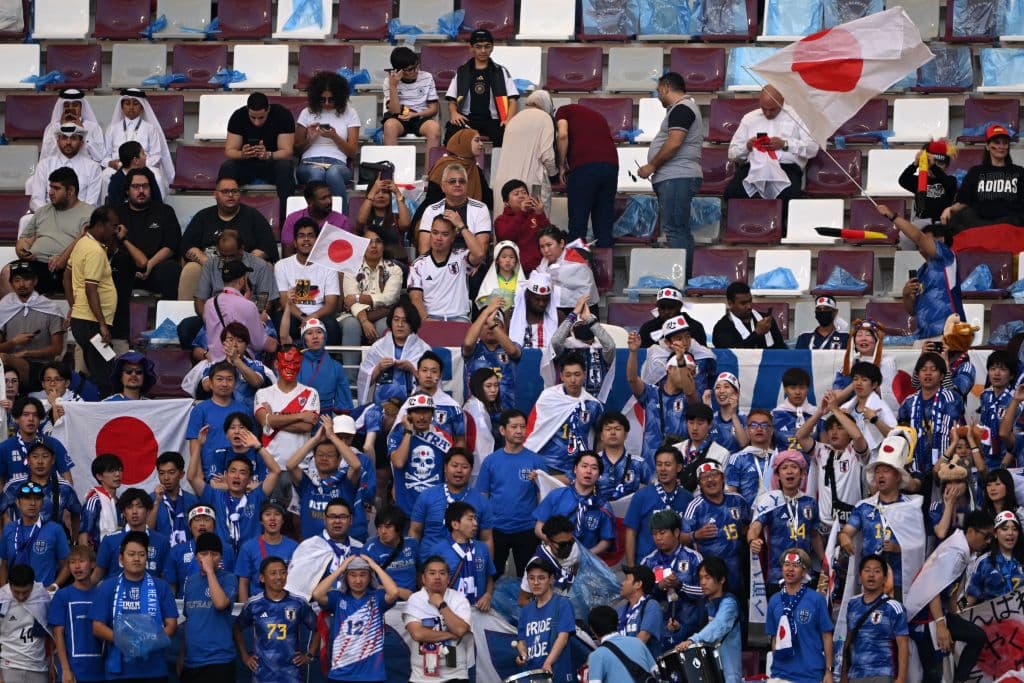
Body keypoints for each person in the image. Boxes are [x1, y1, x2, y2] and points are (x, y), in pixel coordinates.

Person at [903, 510, 992, 683]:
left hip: (937, 613)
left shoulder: (964, 551)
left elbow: (953, 594)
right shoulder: (955, 553)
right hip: (924, 616)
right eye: (986, 536)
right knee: (933, 673)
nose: (988, 542)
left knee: (977, 637)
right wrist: (941, 626)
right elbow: (933, 588)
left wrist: (958, 611)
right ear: (971, 531)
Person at [838, 429, 926, 602]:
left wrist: (899, 548)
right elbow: (847, 531)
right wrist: (844, 537)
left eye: (886, 471)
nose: (880, 475)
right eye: (878, 471)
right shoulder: (864, 507)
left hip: (900, 581)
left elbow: (920, 546)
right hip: (870, 581)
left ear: (898, 477)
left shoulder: (911, 507)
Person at [89, 531, 178, 681]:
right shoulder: (107, 587)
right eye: (131, 554)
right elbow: (97, 626)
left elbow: (172, 624)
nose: (137, 559)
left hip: (154, 669)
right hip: (119, 671)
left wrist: (150, 641)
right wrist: (125, 641)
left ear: (147, 558)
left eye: (142, 555)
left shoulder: (161, 587)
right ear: (121, 559)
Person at [636, 72, 703, 266]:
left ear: (666, 88)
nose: (658, 96)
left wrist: (651, 166)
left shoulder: (682, 108)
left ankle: (680, 278)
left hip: (677, 176)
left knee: (674, 229)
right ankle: (683, 277)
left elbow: (674, 143)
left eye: (658, 91)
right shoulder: (682, 108)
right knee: (679, 229)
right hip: (676, 176)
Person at [179, 174, 278, 298]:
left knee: (265, 266)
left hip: (245, 269)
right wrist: (209, 263)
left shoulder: (253, 216)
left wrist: (241, 265)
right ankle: (189, 312)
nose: (230, 195)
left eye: (234, 191)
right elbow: (187, 245)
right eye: (225, 191)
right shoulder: (203, 216)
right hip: (210, 268)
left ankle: (257, 312)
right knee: (191, 268)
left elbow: (268, 246)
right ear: (215, 194)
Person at [876, 207, 966, 340]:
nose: (919, 244)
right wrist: (906, 295)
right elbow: (912, 311)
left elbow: (917, 237)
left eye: (926, 239)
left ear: (941, 240)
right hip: (924, 335)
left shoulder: (947, 256)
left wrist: (893, 216)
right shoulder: (921, 271)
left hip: (949, 332)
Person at [725, 85, 819, 210]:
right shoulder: (749, 118)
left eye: (772, 109)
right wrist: (747, 146)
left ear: (782, 101)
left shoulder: (797, 116)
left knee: (790, 197)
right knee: (732, 193)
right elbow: (732, 153)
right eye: (764, 109)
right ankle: (744, 227)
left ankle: (780, 228)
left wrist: (785, 144)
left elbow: (813, 148)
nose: (768, 113)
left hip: (786, 167)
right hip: (753, 167)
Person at [312, 554, 401, 683]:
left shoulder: (377, 598)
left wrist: (374, 566)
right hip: (341, 672)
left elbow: (394, 592)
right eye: (353, 575)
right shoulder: (338, 598)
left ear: (370, 577)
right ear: (346, 577)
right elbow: (317, 594)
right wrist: (341, 569)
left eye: (363, 574)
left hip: (371, 674)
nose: (358, 580)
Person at [477, 409, 544, 576]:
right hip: (497, 529)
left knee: (529, 578)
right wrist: (484, 526)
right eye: (514, 427)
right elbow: (482, 496)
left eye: (522, 427)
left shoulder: (536, 460)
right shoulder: (491, 461)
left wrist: (539, 524)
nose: (519, 431)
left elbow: (541, 497)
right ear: (502, 430)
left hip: (527, 529)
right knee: (493, 576)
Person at [747, 450, 823, 598]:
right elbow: (755, 526)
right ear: (778, 475)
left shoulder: (810, 502)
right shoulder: (769, 501)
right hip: (777, 574)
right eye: (784, 467)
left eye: (794, 467)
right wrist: (752, 540)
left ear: (802, 474)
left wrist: (823, 560)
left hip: (805, 573)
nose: (789, 471)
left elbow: (814, 534)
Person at [187, 439, 282, 555]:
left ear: (250, 479)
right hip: (222, 556)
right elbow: (192, 478)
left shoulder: (256, 497)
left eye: (242, 473)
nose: (237, 476)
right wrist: (198, 446)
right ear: (226, 475)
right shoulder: (214, 495)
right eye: (233, 471)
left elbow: (276, 471)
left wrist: (258, 447)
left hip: (251, 556)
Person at [8, 168, 92, 298]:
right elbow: (25, 239)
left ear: (70, 191)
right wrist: (22, 251)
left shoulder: (88, 214)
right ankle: (15, 316)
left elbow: (88, 248)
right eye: (50, 187)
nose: (50, 192)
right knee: (7, 272)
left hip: (65, 268)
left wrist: (63, 258)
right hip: (35, 263)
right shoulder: (43, 211)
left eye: (56, 188)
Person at [234, 556, 318, 683]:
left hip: (292, 675)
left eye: (283, 572)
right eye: (273, 573)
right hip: (262, 675)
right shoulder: (254, 604)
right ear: (262, 578)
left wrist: (309, 655)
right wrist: (245, 657)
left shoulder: (298, 603)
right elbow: (236, 628)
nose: (279, 577)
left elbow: (318, 628)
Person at [63, 206, 117, 396]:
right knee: (105, 373)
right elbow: (90, 287)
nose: (115, 231)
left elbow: (66, 276)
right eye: (113, 226)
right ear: (101, 225)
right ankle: (103, 414)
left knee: (100, 367)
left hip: (83, 320)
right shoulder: (94, 251)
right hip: (92, 324)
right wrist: (102, 324)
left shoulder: (82, 243)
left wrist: (74, 306)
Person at [627, 326, 699, 464]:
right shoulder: (651, 392)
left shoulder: (690, 396)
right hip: (650, 463)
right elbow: (632, 379)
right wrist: (633, 352)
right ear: (670, 369)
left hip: (679, 464)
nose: (689, 375)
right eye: (684, 370)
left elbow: (690, 391)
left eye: (691, 372)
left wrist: (681, 361)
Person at [524, 352, 603, 476]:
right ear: (561, 376)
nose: (573, 380)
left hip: (578, 469)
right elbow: (533, 429)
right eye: (568, 375)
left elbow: (601, 437)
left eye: (577, 374)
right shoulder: (548, 397)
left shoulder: (593, 404)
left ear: (584, 375)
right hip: (546, 465)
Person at [795, 399, 869, 531]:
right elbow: (800, 436)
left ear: (849, 431)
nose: (834, 432)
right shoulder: (822, 451)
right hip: (825, 526)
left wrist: (835, 409)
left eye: (840, 428)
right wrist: (819, 413)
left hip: (852, 527)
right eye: (830, 429)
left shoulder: (856, 453)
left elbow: (858, 437)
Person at [221, 92, 296, 221]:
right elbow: (229, 151)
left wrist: (268, 155)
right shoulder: (238, 116)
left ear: (268, 110)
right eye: (253, 117)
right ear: (247, 110)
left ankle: (286, 222)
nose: (256, 122)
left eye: (261, 117)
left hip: (272, 163)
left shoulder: (282, 115)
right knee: (227, 167)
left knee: (285, 167)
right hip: (247, 164)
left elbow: (287, 151)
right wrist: (242, 154)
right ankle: (224, 218)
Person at [554, 101, 618, 247]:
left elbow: (563, 135)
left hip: (584, 167)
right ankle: (605, 268)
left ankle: (576, 268)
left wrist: (562, 165)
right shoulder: (597, 116)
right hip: (611, 166)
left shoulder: (562, 109)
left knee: (578, 224)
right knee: (604, 226)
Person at [286, 415, 362, 538]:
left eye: (330, 455)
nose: (324, 458)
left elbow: (356, 465)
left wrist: (332, 436)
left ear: (339, 460)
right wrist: (315, 439)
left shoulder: (344, 482)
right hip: (311, 548)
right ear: (314, 458)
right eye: (320, 454)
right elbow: (290, 465)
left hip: (340, 546)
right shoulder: (308, 483)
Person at [765, 548, 834, 683]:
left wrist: (828, 670)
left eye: (796, 566)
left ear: (804, 572)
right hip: (781, 674)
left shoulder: (816, 599)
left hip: (810, 674)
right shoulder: (774, 600)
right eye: (787, 565)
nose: (790, 569)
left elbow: (827, 637)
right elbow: (774, 637)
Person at [339, 224, 405, 363]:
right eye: (368, 242)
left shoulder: (395, 269)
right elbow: (350, 301)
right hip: (353, 314)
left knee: (384, 326)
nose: (374, 246)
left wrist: (358, 297)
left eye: (378, 241)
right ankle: (350, 380)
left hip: (382, 313)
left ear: (384, 245)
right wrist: (364, 321)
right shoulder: (350, 268)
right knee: (352, 325)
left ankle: (382, 377)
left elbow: (389, 298)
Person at [410, 447, 493, 557]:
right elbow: (415, 532)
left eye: (464, 467)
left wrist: (487, 572)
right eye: (454, 466)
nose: (459, 470)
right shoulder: (427, 496)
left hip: (466, 566)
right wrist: (413, 566)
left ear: (471, 470)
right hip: (430, 566)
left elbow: (486, 539)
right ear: (445, 467)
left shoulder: (481, 501)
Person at [113, 167, 181, 300]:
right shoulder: (116, 213)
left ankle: (167, 318)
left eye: (145, 186)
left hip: (156, 267)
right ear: (127, 190)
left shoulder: (165, 211)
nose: (141, 191)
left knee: (171, 269)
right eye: (136, 187)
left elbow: (171, 245)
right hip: (126, 269)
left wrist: (149, 265)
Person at [638, 510, 703, 650]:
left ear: (676, 532)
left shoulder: (694, 558)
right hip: (659, 632)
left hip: (689, 630)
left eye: (662, 533)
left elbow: (705, 591)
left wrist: (680, 585)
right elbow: (639, 598)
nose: (658, 538)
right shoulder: (648, 562)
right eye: (654, 534)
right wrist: (658, 588)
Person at [681, 461, 750, 592]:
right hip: (711, 573)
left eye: (714, 475)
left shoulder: (737, 500)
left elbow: (748, 525)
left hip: (739, 568)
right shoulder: (695, 506)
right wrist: (696, 535)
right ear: (699, 483)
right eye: (704, 477)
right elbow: (681, 538)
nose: (710, 480)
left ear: (723, 477)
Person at [294, 73, 359, 208]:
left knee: (333, 173)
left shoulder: (350, 113)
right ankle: (314, 216)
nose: (327, 103)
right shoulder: (307, 112)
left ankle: (341, 219)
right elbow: (297, 149)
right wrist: (310, 139)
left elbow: (352, 152)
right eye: (322, 99)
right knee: (317, 172)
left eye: (331, 99)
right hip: (309, 163)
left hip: (338, 164)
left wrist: (334, 137)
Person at [404, 555, 472, 683]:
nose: (437, 577)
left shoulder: (459, 599)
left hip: (455, 675)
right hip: (421, 678)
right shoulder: (415, 600)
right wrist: (451, 634)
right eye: (432, 573)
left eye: (442, 573)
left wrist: (441, 605)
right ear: (423, 578)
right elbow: (418, 634)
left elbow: (461, 629)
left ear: (448, 578)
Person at [179, 532, 238, 682]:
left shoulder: (229, 579)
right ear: (196, 556)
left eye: (214, 554)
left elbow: (220, 604)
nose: (209, 559)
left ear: (221, 557)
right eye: (204, 554)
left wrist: (210, 571)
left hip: (219, 660)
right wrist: (181, 656)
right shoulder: (191, 582)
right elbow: (189, 620)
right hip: (192, 661)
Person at [445, 28, 519, 146]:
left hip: (494, 120)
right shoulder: (462, 71)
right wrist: (454, 113)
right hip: (467, 119)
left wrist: (508, 120)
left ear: (492, 47)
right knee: (451, 134)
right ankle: (458, 164)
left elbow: (512, 100)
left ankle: (498, 165)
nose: (483, 50)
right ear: (471, 48)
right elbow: (452, 99)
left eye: (487, 46)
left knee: (505, 135)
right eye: (478, 46)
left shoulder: (500, 71)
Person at [942, 124, 1024, 229]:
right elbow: (964, 201)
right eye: (996, 142)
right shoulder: (975, 172)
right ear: (987, 146)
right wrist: (949, 209)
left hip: (1010, 225)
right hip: (979, 225)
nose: (1001, 146)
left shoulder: (1019, 172)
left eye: (1005, 143)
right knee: (960, 216)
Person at [843, 554, 910, 683]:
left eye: (877, 571)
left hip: (883, 673)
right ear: (860, 576)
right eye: (867, 570)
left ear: (885, 578)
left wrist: (901, 678)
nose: (871, 575)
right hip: (855, 674)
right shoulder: (852, 604)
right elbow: (848, 641)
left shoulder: (894, 607)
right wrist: (844, 675)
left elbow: (903, 645)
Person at [674, 556, 743, 683]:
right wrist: (678, 628)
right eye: (700, 578)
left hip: (729, 675)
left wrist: (692, 640)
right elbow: (690, 627)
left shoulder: (729, 603)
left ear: (722, 579)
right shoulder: (703, 603)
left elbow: (718, 625)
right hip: (707, 672)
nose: (703, 582)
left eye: (708, 577)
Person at [276, 219, 342, 346]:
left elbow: (331, 304)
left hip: (320, 314)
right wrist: (302, 317)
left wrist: (311, 318)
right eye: (301, 236)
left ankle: (328, 362)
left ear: (317, 241)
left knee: (331, 325)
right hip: (294, 313)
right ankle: (286, 362)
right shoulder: (282, 266)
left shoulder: (329, 267)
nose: (306, 239)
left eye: (310, 235)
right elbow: (284, 301)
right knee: (281, 319)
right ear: (295, 242)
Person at [533, 451, 615, 554]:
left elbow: (606, 541)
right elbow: (538, 527)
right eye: (584, 466)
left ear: (599, 475)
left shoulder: (603, 506)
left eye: (594, 468)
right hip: (554, 555)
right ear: (575, 469)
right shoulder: (556, 495)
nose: (588, 471)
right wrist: (555, 545)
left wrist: (585, 555)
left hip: (585, 562)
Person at [898, 352, 964, 478]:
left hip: (946, 467)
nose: (928, 373)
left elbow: (947, 433)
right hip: (914, 468)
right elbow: (902, 433)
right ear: (918, 375)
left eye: (933, 370)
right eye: (924, 370)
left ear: (942, 376)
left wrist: (943, 464)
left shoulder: (951, 399)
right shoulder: (909, 401)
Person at [409, 215, 487, 322]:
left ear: (453, 237)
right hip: (430, 318)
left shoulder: (461, 257)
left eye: (445, 234)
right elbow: (416, 298)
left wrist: (461, 227)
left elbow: (479, 254)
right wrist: (426, 320)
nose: (438, 238)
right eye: (435, 232)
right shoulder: (418, 265)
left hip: (459, 318)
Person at [356, 296, 431, 406]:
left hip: (413, 410)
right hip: (381, 407)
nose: (399, 325)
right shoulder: (378, 347)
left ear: (412, 323)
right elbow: (364, 382)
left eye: (405, 321)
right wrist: (378, 368)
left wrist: (412, 369)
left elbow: (432, 383)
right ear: (390, 322)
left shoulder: (423, 349)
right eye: (396, 320)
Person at [422, 501, 496, 609]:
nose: (475, 523)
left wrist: (488, 595)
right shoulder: (438, 550)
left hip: (478, 610)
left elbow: (489, 578)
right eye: (470, 519)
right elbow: (429, 583)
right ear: (455, 524)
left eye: (475, 519)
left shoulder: (482, 548)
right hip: (449, 610)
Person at [389, 394, 455, 514]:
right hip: (404, 509)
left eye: (425, 412)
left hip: (434, 509)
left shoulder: (444, 438)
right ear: (408, 415)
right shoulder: (398, 434)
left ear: (432, 415)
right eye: (417, 412)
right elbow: (398, 463)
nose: (421, 417)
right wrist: (408, 432)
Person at [625, 448, 693, 566]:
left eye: (667, 465)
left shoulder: (688, 498)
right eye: (659, 464)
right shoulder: (641, 496)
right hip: (646, 565)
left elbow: (689, 534)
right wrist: (632, 569)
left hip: (678, 565)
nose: (662, 469)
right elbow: (631, 533)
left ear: (679, 467)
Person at [493, 90, 558, 213]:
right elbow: (548, 155)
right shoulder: (545, 118)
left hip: (505, 184)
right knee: (534, 226)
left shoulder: (513, 119)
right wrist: (553, 175)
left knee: (507, 226)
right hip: (531, 184)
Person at [103, 88, 174, 198]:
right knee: (105, 175)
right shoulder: (112, 129)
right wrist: (111, 163)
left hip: (144, 167)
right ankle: (108, 213)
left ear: (142, 107)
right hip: (118, 167)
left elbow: (156, 155)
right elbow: (105, 156)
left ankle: (157, 211)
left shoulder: (150, 128)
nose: (131, 107)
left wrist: (139, 164)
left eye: (135, 104)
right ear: (122, 107)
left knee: (157, 177)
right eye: (127, 103)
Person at [49, 545, 104, 683]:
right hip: (73, 670)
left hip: (101, 670)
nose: (77, 566)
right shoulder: (62, 596)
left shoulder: (102, 595)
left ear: (93, 564)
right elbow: (58, 634)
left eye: (81, 561)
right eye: (72, 562)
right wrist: (66, 669)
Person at [0, 441, 79, 536]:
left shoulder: (64, 487)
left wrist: (75, 541)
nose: (40, 462)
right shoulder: (14, 486)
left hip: (53, 544)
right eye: (35, 457)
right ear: (28, 460)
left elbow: (77, 514)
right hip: (21, 544)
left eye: (45, 456)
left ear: (53, 460)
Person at [203, 260, 276, 362]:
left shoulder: (209, 304)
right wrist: (263, 323)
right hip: (239, 365)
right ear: (242, 281)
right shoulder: (248, 306)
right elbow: (259, 344)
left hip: (214, 365)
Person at [0, 481, 69, 588]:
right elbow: (4, 564)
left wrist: (54, 586)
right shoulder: (9, 529)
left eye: (37, 499)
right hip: (14, 594)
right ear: (17, 502)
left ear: (42, 503)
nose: (32, 503)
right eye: (27, 498)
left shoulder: (55, 529)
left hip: (43, 595)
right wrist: (3, 590)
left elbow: (66, 564)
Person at [517, 557, 576, 682]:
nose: (536, 582)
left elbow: (563, 637)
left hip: (557, 676)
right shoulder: (525, 611)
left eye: (541, 578)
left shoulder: (562, 604)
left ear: (551, 579)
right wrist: (522, 655)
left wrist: (548, 663)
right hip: (532, 676)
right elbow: (521, 640)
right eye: (531, 578)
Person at [417, 160, 493, 257]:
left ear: (467, 185)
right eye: (452, 181)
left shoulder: (481, 208)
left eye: (462, 181)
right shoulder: (432, 210)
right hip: (439, 266)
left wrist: (461, 226)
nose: (457, 184)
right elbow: (424, 250)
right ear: (443, 186)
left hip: (471, 265)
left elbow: (481, 250)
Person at [93, 487, 169, 582]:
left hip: (150, 594)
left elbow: (165, 577)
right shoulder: (110, 540)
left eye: (139, 506)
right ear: (124, 512)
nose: (134, 512)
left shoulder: (161, 541)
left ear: (148, 511)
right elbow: (98, 574)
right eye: (129, 507)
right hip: (116, 595)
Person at [163, 504, 237, 597]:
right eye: (197, 519)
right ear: (189, 526)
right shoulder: (177, 551)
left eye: (207, 519)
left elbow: (233, 582)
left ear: (214, 525)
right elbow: (171, 585)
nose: (202, 523)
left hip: (219, 603)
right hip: (186, 604)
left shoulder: (227, 549)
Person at [552, 296, 617, 401]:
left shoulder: (602, 350)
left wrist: (589, 319)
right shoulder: (566, 348)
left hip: (596, 402)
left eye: (588, 325)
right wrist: (574, 314)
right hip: (569, 401)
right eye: (581, 324)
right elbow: (555, 342)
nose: (585, 327)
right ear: (573, 329)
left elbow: (610, 346)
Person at [26, 125, 102, 211]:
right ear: (58, 142)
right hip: (49, 216)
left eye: (73, 138)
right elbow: (36, 199)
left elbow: (91, 203)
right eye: (64, 138)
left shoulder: (93, 167)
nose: (68, 142)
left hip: (79, 218)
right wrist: (49, 216)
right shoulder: (45, 164)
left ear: (82, 142)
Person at [462, 298, 521, 409]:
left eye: (496, 322)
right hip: (477, 413)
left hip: (505, 415)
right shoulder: (474, 348)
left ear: (503, 328)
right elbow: (468, 344)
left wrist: (491, 322)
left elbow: (513, 352)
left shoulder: (512, 346)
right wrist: (486, 311)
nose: (490, 326)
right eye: (485, 323)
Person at [235, 499, 297, 602]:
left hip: (286, 603)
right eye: (267, 514)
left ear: (283, 521)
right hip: (258, 605)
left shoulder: (294, 547)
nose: (272, 518)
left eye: (277, 514)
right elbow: (243, 582)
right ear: (261, 521)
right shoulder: (248, 547)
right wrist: (243, 611)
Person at [0, 564, 51, 683]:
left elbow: (50, 635)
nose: (21, 596)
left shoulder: (43, 599)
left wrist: (51, 664)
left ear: (33, 585)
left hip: (38, 668)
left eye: (26, 592)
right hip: (9, 667)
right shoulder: (2, 601)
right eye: (16, 592)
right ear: (9, 585)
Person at [384, 46, 441, 150]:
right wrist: (393, 86)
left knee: (434, 128)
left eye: (416, 66)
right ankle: (394, 166)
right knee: (389, 126)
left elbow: (434, 109)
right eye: (409, 69)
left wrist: (415, 114)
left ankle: (431, 167)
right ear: (399, 70)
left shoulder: (427, 77)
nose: (415, 71)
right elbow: (395, 111)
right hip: (399, 118)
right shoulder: (389, 81)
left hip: (420, 116)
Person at [584, 604, 658, 683]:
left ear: (592, 630)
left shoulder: (596, 655)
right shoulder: (637, 642)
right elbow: (656, 673)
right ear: (617, 623)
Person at [518, 516, 581, 605]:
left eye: (570, 542)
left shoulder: (575, 548)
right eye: (562, 545)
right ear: (549, 541)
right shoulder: (537, 564)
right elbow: (522, 601)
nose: (568, 548)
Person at [534, 226, 599, 313]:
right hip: (555, 309)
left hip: (582, 312)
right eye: (542, 247)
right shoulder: (545, 260)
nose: (545, 250)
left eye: (549, 245)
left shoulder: (576, 263)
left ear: (561, 243)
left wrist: (551, 288)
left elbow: (586, 295)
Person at [280, 181, 352, 257]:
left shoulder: (342, 221)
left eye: (330, 196)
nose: (329, 201)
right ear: (309, 201)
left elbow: (346, 254)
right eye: (323, 198)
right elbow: (287, 254)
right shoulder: (293, 219)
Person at [726, 407, 781, 506]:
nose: (759, 428)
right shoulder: (737, 458)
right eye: (754, 425)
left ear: (772, 430)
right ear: (747, 431)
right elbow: (731, 494)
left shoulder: (780, 458)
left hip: (775, 516)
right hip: (747, 519)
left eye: (764, 425)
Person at [967, 509, 1024, 604]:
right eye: (1005, 529)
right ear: (995, 534)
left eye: (1015, 529)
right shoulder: (984, 562)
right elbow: (971, 595)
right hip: (992, 617)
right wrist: (956, 612)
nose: (1010, 533)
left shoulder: (1022, 559)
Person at [363, 506, 419, 599]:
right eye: (379, 527)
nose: (383, 531)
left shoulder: (411, 544)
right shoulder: (369, 549)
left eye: (388, 527)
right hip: (384, 602)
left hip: (412, 603)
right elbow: (366, 583)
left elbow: (420, 571)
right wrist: (400, 592)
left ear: (399, 527)